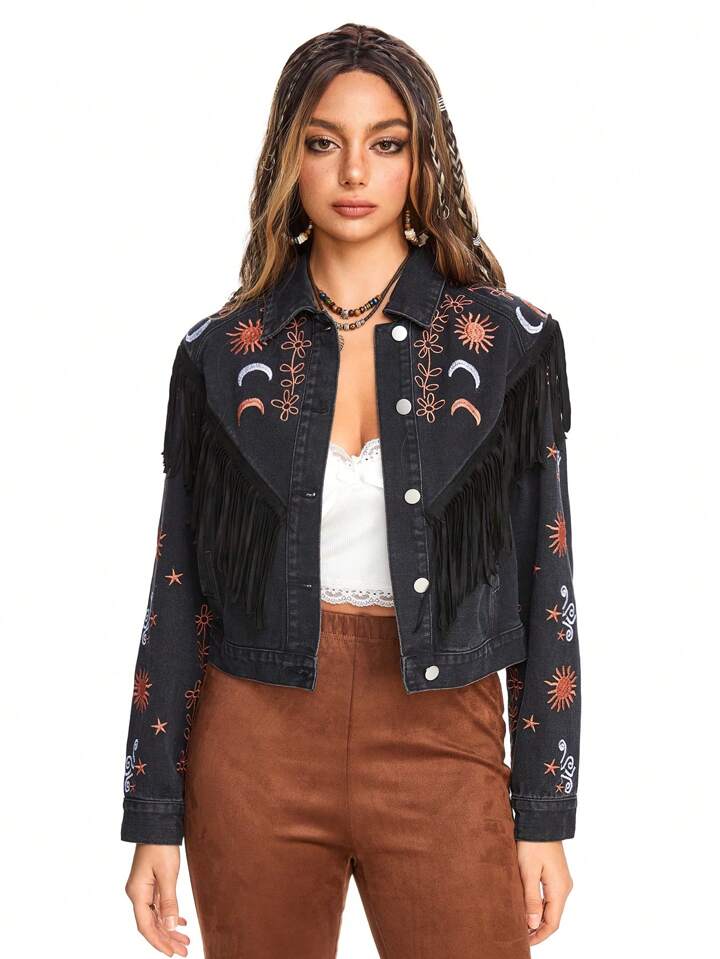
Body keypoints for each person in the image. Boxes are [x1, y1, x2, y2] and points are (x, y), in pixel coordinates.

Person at [121, 22, 580, 958]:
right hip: (254, 741)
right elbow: (177, 590)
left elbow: (549, 583)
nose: (355, 172)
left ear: (424, 159)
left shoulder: (508, 343)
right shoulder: (222, 353)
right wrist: (153, 813)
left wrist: (544, 809)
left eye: (387, 143)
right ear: (288, 160)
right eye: (324, 142)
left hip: (443, 736)